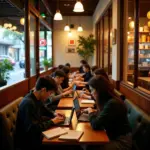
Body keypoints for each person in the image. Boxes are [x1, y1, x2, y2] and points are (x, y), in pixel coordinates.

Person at [15, 76, 65, 150]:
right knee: (63, 144)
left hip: (36, 136)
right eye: (50, 93)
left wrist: (54, 114)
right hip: (28, 143)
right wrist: (52, 121)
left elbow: (44, 109)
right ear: (43, 90)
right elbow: (32, 129)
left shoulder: (36, 98)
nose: (50, 96)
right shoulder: (28, 103)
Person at [84, 75, 132, 150]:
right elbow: (101, 118)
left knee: (91, 147)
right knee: (89, 144)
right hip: (112, 135)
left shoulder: (112, 103)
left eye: (92, 90)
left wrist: (90, 112)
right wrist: (93, 113)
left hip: (121, 142)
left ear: (99, 90)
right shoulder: (108, 100)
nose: (91, 93)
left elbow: (95, 124)